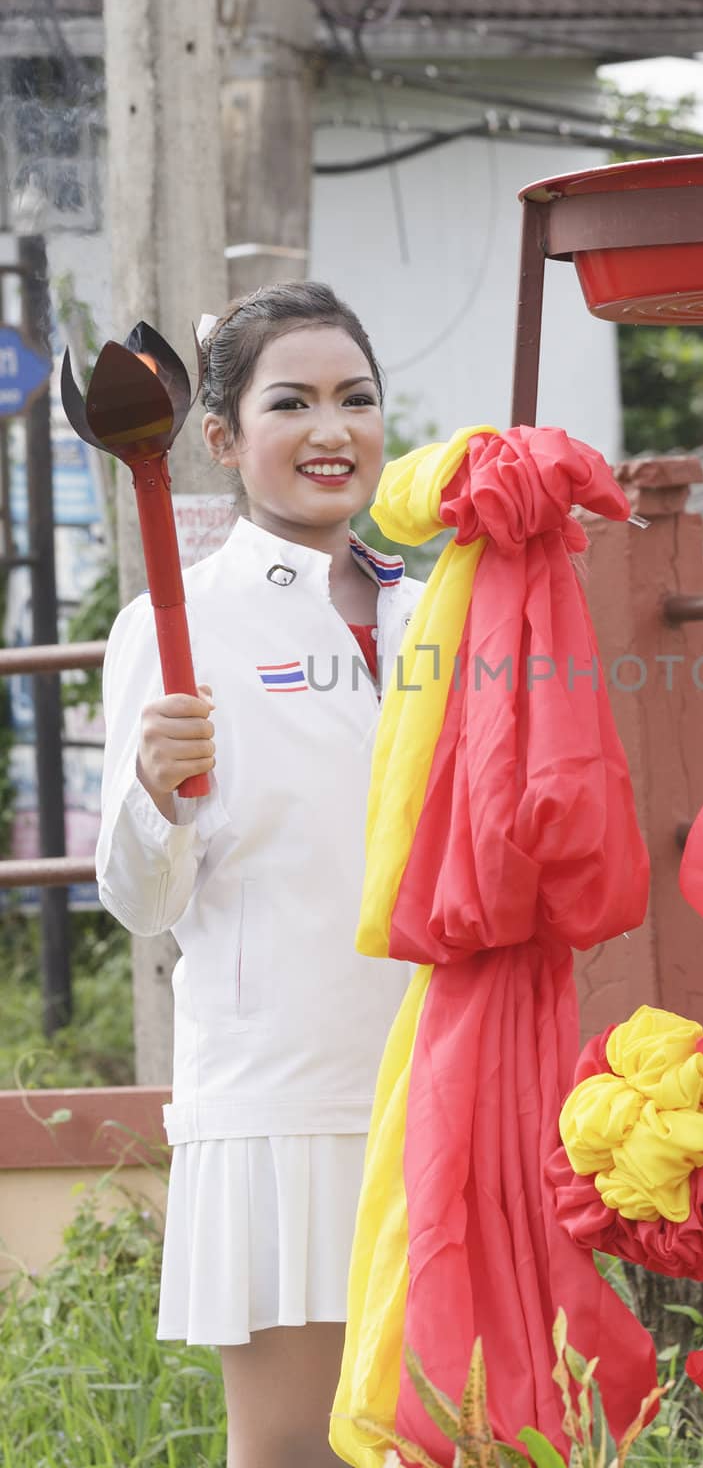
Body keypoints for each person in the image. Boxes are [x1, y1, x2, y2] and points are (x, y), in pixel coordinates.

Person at [96, 282, 424, 1468]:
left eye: (357, 398)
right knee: (298, 1447)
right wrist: (151, 792)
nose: (332, 429)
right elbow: (140, 899)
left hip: (443, 1075)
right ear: (223, 438)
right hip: (287, 1092)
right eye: (292, 402)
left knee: (464, 1431)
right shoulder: (179, 623)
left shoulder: (438, 614)